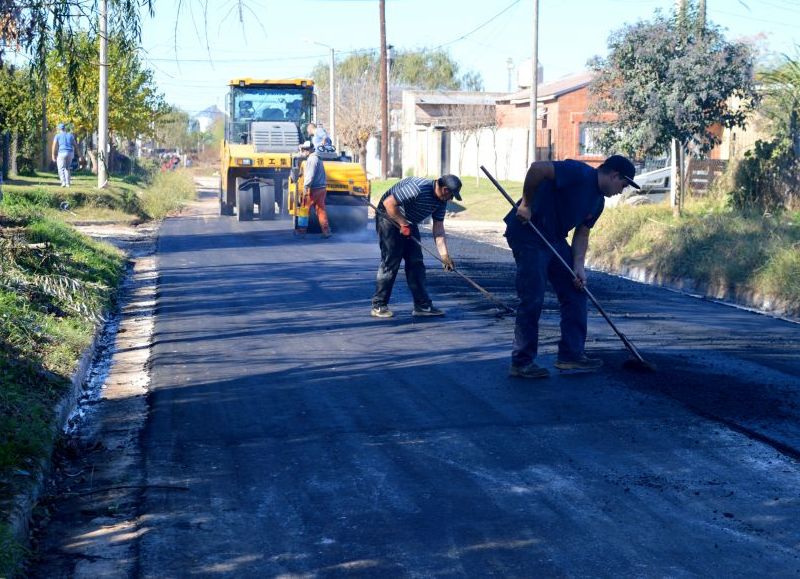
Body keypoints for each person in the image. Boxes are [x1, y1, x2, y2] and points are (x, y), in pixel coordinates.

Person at [503, 155, 639, 378]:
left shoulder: (598, 202)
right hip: (529, 232)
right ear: (614, 175)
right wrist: (526, 204)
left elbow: (582, 233)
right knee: (533, 296)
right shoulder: (578, 173)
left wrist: (578, 267)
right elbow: (538, 168)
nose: (621, 191)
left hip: (554, 238)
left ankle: (570, 356)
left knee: (576, 292)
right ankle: (521, 362)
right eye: (623, 185)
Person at [371, 174, 462, 319]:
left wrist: (445, 256)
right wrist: (403, 223)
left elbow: (438, 228)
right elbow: (389, 203)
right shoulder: (418, 188)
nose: (451, 199)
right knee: (391, 260)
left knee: (416, 262)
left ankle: (422, 306)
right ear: (445, 189)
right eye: (451, 194)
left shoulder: (441, 202)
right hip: (388, 216)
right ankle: (379, 305)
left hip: (407, 221)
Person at [298, 140, 330, 237]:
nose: (305, 151)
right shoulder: (318, 158)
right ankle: (326, 231)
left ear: (311, 149)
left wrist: (306, 186)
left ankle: (302, 231)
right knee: (321, 210)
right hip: (321, 188)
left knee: (304, 209)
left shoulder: (312, 160)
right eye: (304, 149)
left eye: (306, 149)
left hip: (313, 189)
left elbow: (310, 175)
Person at [51, 122, 78, 188]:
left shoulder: (57, 135)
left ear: (59, 129)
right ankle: (68, 183)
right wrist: (79, 155)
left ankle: (63, 182)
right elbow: (75, 145)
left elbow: (54, 146)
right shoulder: (70, 135)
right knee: (67, 168)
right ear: (64, 128)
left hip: (62, 153)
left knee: (60, 168)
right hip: (70, 153)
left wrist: (53, 155)